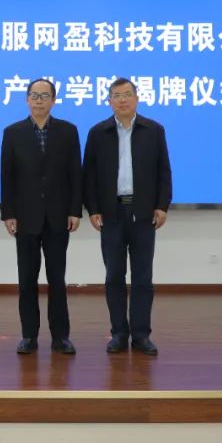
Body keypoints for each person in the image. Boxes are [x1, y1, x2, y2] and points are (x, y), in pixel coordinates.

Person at [83, 78, 172, 356]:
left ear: (137, 98)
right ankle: (119, 333)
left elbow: (163, 171)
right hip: (111, 213)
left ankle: (141, 335)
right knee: (114, 277)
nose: (122, 100)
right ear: (109, 101)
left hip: (143, 213)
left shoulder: (153, 130)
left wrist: (162, 206)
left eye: (127, 94)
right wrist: (93, 209)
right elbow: (89, 176)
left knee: (143, 278)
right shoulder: (98, 132)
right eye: (116, 95)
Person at [0, 79, 83, 355]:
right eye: (34, 95)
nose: (38, 100)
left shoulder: (68, 131)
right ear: (26, 99)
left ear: (53, 100)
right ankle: (29, 335)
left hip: (59, 216)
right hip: (25, 217)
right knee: (27, 279)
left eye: (44, 96)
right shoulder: (13, 132)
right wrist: (8, 213)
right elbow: (8, 177)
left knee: (57, 279)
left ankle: (61, 337)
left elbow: (75, 174)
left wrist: (75, 210)